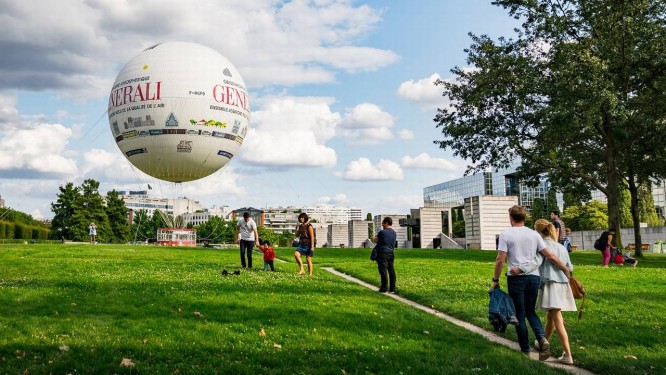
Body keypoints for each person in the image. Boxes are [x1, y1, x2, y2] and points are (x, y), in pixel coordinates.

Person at [492, 205, 571, 357]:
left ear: (511, 218)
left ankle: (525, 350)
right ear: (524, 217)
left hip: (516, 279)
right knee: (530, 311)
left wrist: (495, 279)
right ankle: (542, 339)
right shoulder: (534, 235)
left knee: (519, 314)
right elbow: (550, 256)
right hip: (534, 278)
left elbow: (500, 259)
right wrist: (565, 269)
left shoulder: (506, 235)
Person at [513, 219, 576, 365]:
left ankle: (568, 354)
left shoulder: (542, 246)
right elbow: (570, 267)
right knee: (551, 317)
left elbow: (536, 262)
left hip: (551, 284)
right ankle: (542, 342)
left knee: (557, 318)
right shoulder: (560, 246)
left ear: (538, 231)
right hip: (563, 284)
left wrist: (520, 269)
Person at [373, 217, 397, 293]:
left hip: (382, 253)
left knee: (383, 271)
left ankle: (384, 288)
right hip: (391, 253)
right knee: (391, 270)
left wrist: (374, 237)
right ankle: (392, 289)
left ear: (386, 223)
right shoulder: (394, 232)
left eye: (383, 223)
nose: (382, 224)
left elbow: (376, 241)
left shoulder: (382, 232)